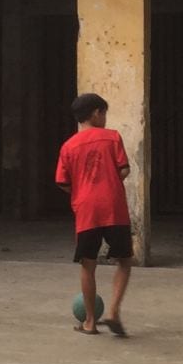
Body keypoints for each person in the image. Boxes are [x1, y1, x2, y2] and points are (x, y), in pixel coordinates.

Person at [55, 92, 132, 337]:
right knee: (124, 261)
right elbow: (124, 170)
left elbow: (62, 182)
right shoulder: (112, 138)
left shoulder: (69, 145)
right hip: (113, 207)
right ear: (97, 113)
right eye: (104, 113)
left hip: (86, 209)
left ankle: (89, 322)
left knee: (88, 264)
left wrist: (82, 188)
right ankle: (113, 312)